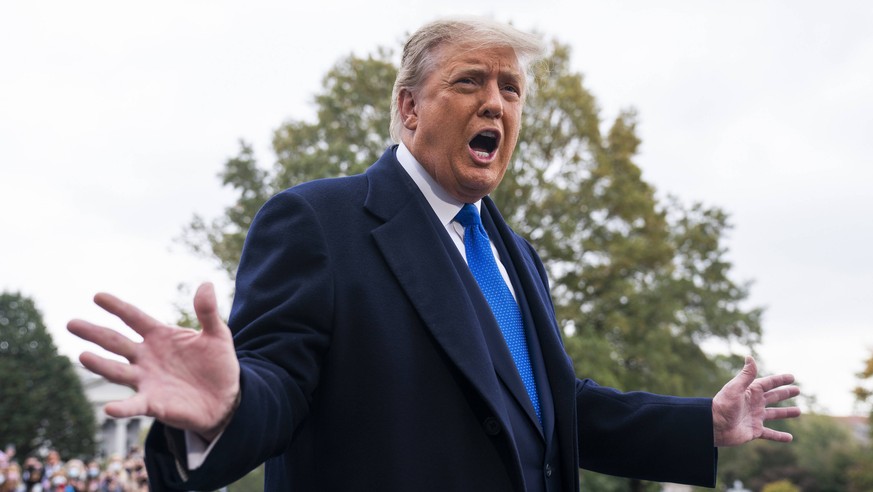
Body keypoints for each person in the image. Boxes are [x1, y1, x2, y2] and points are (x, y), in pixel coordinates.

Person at [68, 16, 800, 491]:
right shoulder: (318, 222)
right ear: (410, 108)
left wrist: (696, 422)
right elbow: (278, 383)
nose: (496, 104)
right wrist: (223, 408)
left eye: (510, 90)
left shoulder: (518, 256)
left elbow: (553, 409)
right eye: (470, 82)